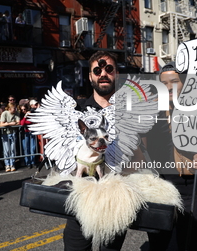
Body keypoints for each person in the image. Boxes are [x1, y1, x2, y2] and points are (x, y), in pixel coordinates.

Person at [146, 62, 197, 251]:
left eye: (174, 81)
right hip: (159, 190)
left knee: (188, 244)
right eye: (163, 83)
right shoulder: (151, 113)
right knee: (157, 245)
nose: (168, 86)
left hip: (190, 191)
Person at [63, 51, 127, 251]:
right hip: (80, 206)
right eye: (97, 70)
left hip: (115, 204)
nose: (103, 74)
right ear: (90, 76)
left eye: (109, 69)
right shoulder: (75, 112)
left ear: (116, 73)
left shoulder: (131, 111)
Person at [0, 103, 20, 172]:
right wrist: (10, 123)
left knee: (12, 149)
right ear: (9, 109)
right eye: (13, 108)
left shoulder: (16, 113)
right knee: (7, 150)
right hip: (5, 134)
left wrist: (7, 123)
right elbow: (1, 124)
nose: (15, 109)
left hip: (13, 133)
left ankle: (12, 164)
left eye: (15, 108)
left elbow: (18, 122)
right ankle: (7, 165)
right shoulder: (4, 113)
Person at [20, 103, 37, 168]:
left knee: (32, 147)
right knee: (26, 148)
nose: (23, 111)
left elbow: (31, 122)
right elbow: (22, 123)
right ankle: (28, 162)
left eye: (24, 109)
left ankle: (33, 162)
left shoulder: (30, 114)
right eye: (22, 110)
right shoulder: (21, 116)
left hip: (31, 132)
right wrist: (25, 117)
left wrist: (28, 116)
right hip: (25, 133)